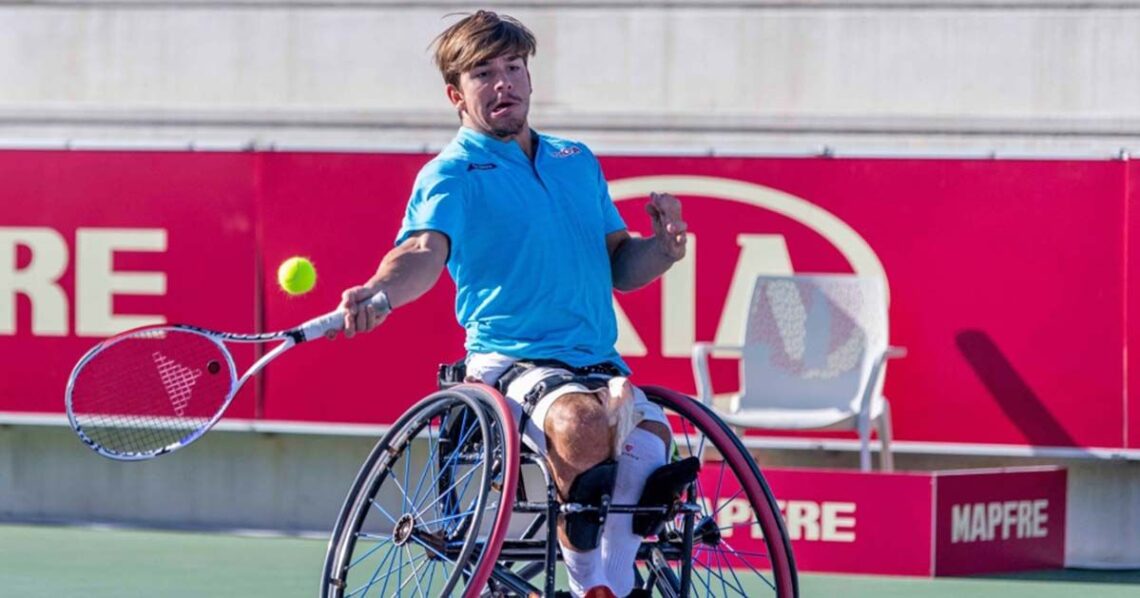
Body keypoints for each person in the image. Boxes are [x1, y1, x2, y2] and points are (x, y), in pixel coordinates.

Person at [330, 10, 687, 598]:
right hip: (510, 363)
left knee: (650, 444)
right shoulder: (450, 173)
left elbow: (621, 265)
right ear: (457, 94)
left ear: (529, 76)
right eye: (484, 73)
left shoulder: (576, 161)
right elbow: (421, 251)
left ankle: (615, 582)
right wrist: (380, 291)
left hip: (596, 361)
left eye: (514, 67)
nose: (504, 83)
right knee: (581, 424)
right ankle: (587, 587)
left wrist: (664, 250)